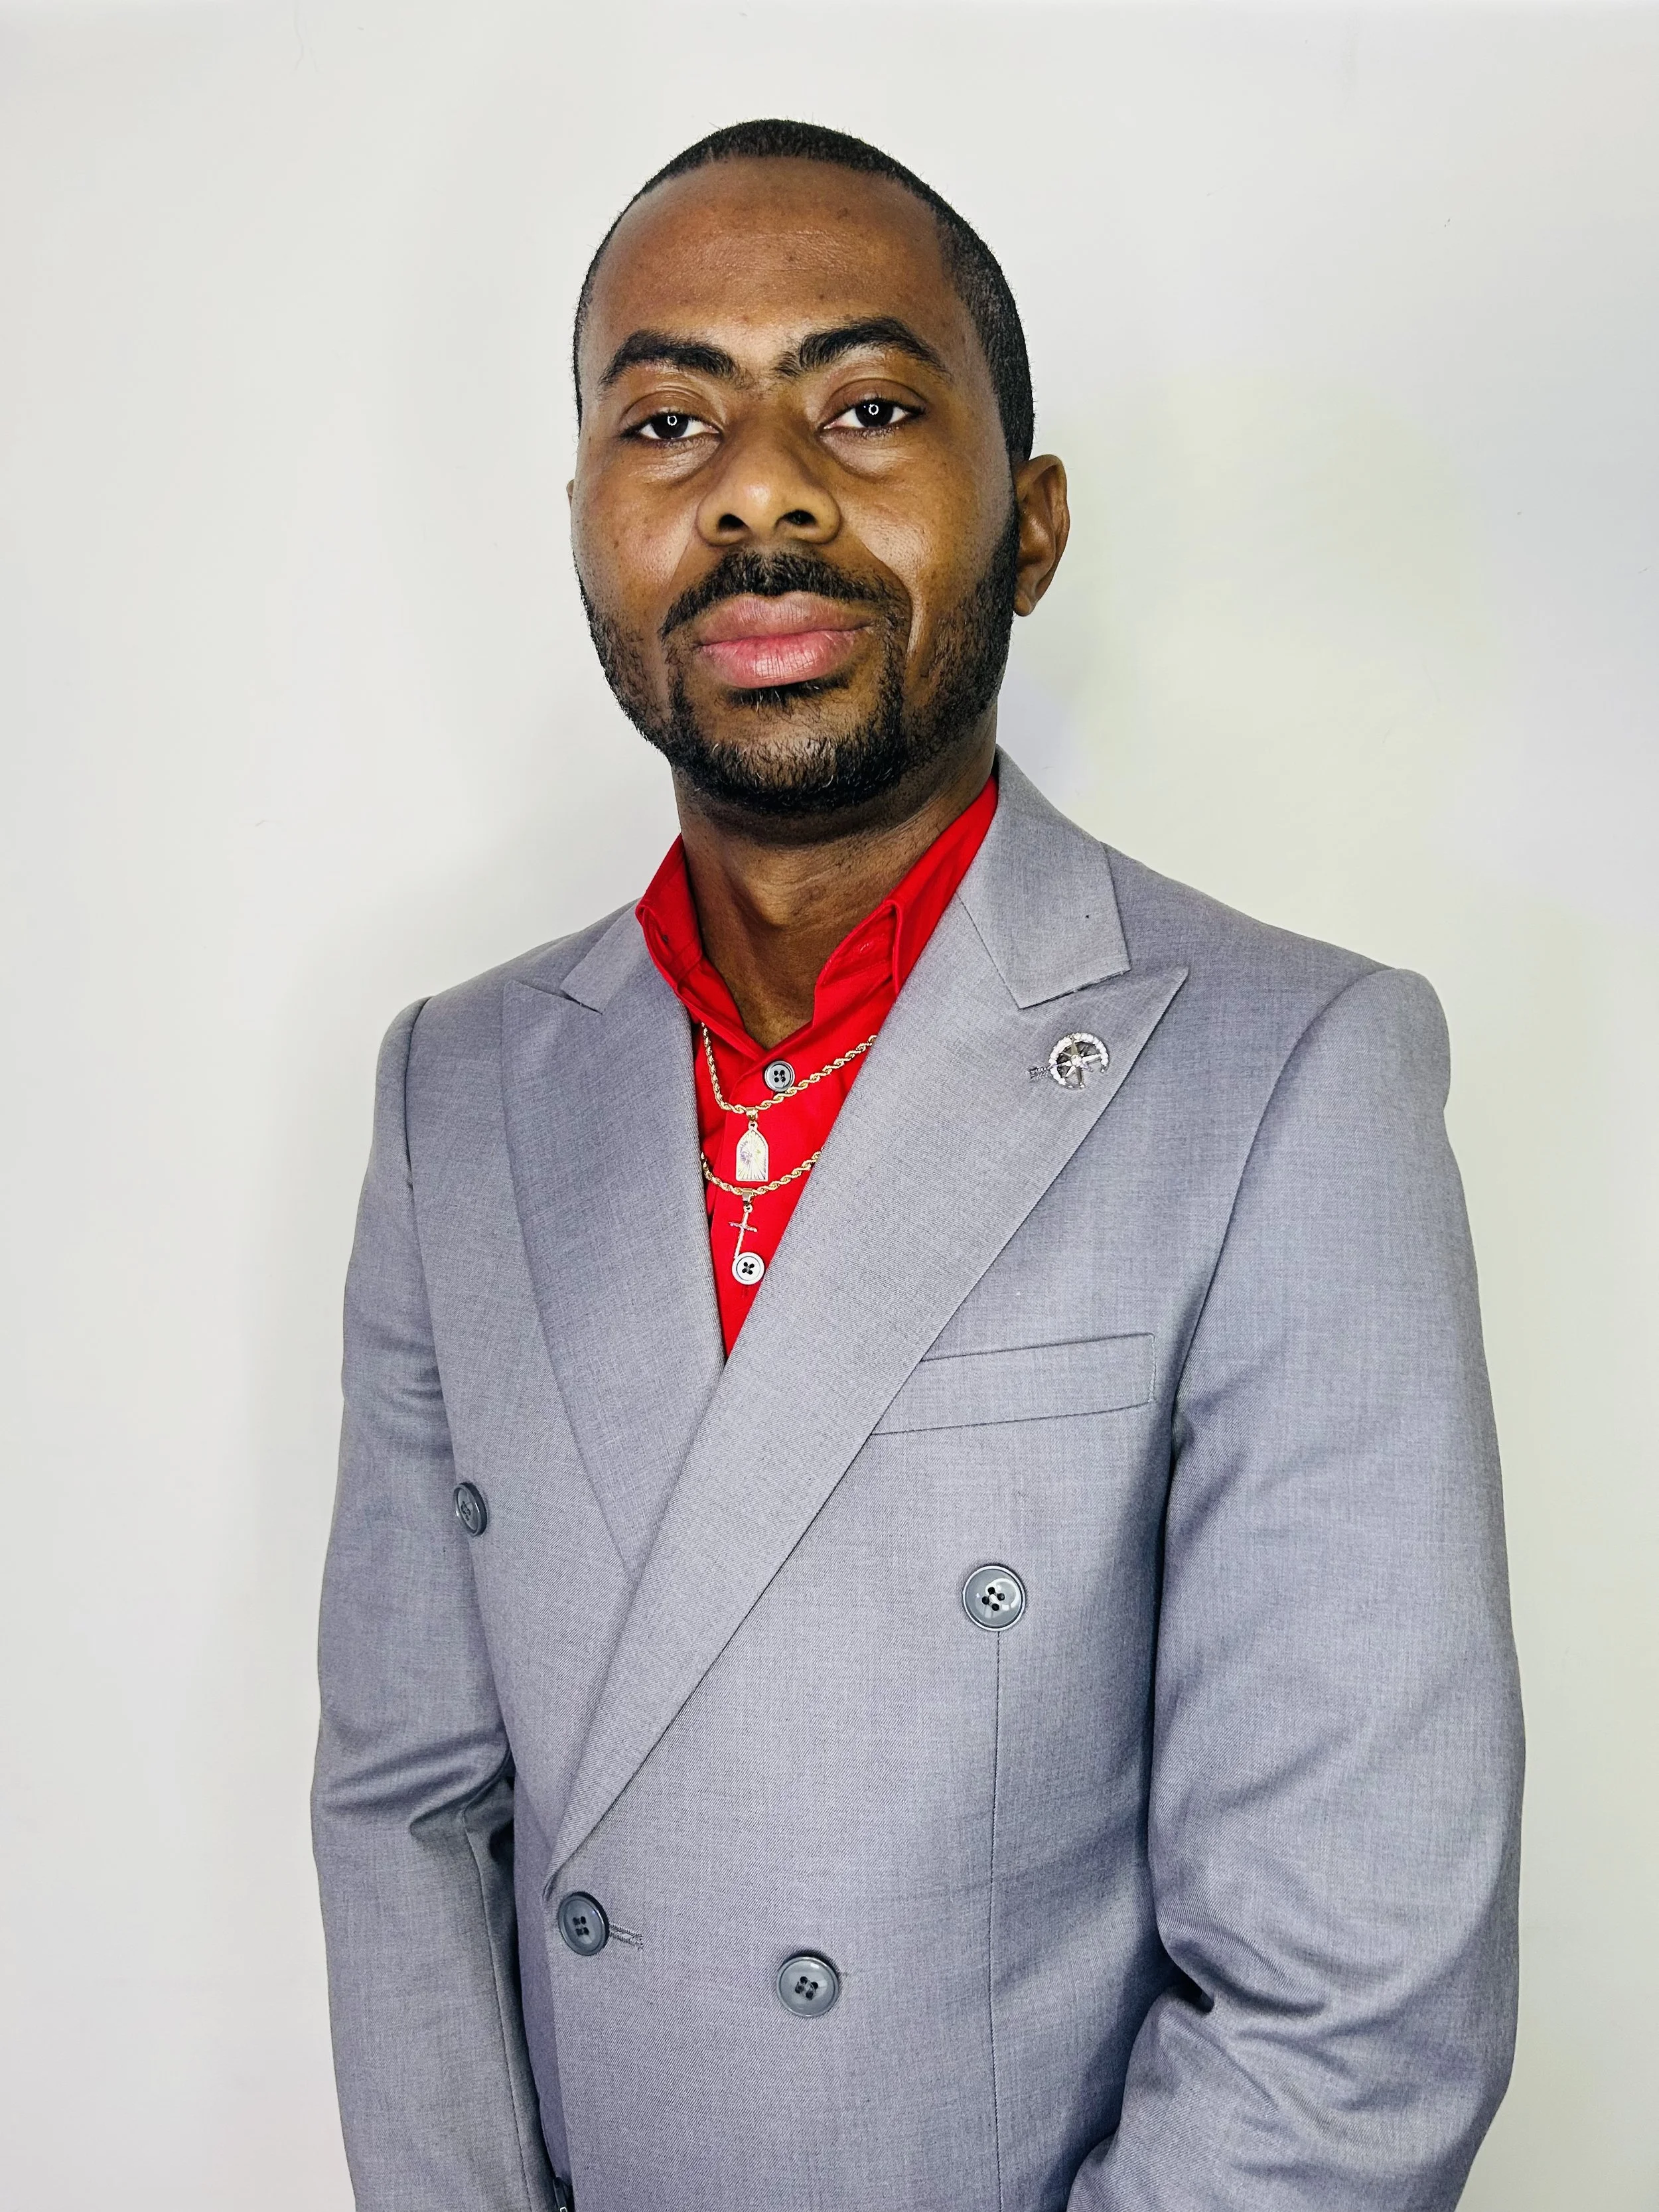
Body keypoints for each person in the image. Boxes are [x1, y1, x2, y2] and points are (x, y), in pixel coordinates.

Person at [312, 119, 1523, 2212]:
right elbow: (404, 1807)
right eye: (667, 421)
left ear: (1029, 525)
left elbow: (1353, 2004)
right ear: (588, 526)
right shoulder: (458, 1088)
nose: (759, 493)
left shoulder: (1285, 1073)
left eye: (865, 408)